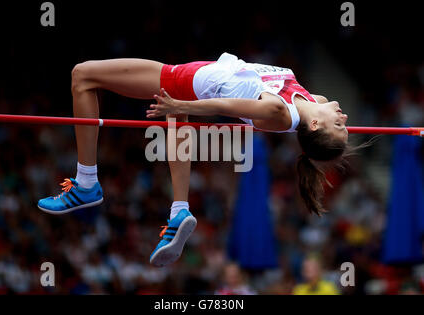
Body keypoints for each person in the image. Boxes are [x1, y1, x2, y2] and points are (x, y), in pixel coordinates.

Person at [37, 52, 349, 267]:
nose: (344, 116)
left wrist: (179, 102)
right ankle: (178, 211)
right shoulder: (313, 102)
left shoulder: (279, 113)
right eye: (345, 124)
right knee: (175, 117)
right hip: (189, 77)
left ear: (315, 126)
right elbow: (316, 116)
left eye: (340, 125)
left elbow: (227, 105)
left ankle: (87, 182)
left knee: (83, 75)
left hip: (181, 79)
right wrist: (181, 104)